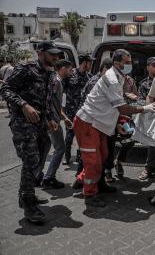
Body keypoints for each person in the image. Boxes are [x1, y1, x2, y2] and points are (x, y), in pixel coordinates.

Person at [73, 49, 155, 207]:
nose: (130, 65)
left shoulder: (120, 77)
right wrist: (145, 108)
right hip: (88, 123)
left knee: (104, 156)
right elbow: (123, 108)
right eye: (127, 62)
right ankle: (90, 194)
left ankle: (91, 182)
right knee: (94, 162)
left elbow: (111, 106)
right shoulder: (112, 79)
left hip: (99, 124)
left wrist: (117, 123)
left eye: (130, 62)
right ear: (117, 63)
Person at [0, 41, 60, 223]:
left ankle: (27, 193)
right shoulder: (25, 68)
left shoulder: (50, 73)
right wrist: (24, 105)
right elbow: (5, 88)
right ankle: (28, 203)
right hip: (23, 123)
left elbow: (47, 99)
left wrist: (50, 118)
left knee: (42, 154)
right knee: (31, 159)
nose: (56, 58)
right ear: (40, 52)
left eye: (57, 55)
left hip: (41, 124)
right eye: (52, 54)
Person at [76, 58, 113, 179]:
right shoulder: (95, 82)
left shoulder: (104, 81)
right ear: (103, 69)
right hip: (89, 122)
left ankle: (87, 180)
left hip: (97, 122)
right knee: (90, 156)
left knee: (98, 155)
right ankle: (84, 182)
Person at [41, 60, 73, 189]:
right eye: (70, 69)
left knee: (46, 147)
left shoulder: (57, 80)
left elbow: (56, 104)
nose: (71, 72)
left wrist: (64, 118)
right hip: (52, 121)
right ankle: (49, 178)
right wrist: (50, 119)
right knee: (60, 148)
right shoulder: (56, 81)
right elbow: (47, 102)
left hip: (53, 119)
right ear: (63, 68)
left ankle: (39, 175)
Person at [63, 54, 95, 165]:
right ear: (84, 63)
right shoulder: (71, 75)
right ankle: (66, 157)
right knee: (69, 137)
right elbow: (62, 91)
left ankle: (80, 157)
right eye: (89, 63)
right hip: (70, 112)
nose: (91, 65)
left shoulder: (90, 77)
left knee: (82, 137)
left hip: (84, 112)